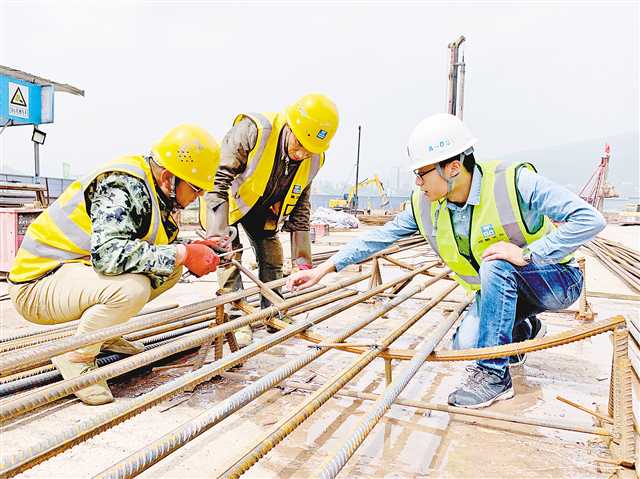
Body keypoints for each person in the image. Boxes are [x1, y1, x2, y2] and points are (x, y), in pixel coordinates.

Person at [287, 113, 606, 409]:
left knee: (496, 261)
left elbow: (589, 219)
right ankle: (523, 327)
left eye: (422, 173)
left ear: (452, 167)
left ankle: (494, 376)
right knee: (466, 344)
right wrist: (324, 269)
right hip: (503, 290)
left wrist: (525, 254)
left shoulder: (513, 182)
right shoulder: (426, 205)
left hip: (556, 280)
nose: (418, 183)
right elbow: (379, 237)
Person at [8, 124, 224, 405]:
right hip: (37, 284)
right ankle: (76, 357)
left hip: (70, 273)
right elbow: (109, 255)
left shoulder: (155, 190)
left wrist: (191, 252)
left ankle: (102, 336)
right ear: (170, 178)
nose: (198, 197)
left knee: (168, 269)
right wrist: (183, 252)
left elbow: (147, 248)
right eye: (196, 189)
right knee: (131, 289)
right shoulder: (123, 186)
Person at [200, 93, 339, 347]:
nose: (301, 154)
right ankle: (237, 320)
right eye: (298, 144)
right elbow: (216, 182)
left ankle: (274, 311)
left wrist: (302, 261)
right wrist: (218, 234)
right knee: (231, 258)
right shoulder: (254, 131)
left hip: (263, 209)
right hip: (226, 203)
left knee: (273, 256)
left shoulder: (313, 157)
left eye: (309, 150)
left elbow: (300, 208)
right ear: (290, 126)